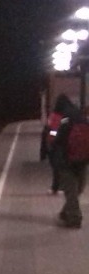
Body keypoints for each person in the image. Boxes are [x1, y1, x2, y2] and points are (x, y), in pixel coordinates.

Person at [50, 94, 86, 228]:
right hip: (82, 158)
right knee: (78, 188)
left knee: (71, 190)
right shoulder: (81, 115)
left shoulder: (65, 117)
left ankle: (74, 218)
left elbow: (59, 137)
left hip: (66, 159)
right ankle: (67, 212)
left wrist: (52, 149)